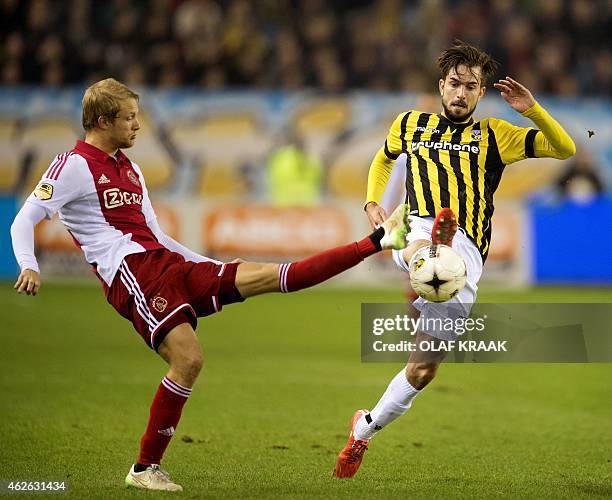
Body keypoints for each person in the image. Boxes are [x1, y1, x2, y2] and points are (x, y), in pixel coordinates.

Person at [10, 78, 412, 492]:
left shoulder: (129, 168)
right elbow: (24, 219)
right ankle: (145, 468)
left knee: (273, 275)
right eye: (129, 118)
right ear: (101, 120)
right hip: (132, 274)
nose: (137, 126)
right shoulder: (73, 165)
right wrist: (29, 264)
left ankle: (375, 242)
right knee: (188, 359)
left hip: (167, 263)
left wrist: (209, 266)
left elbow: (157, 235)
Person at [333, 40, 576, 478]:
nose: (460, 93)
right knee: (421, 249)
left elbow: (564, 149)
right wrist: (373, 204)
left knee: (423, 369)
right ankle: (427, 249)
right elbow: (383, 160)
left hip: (468, 255)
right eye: (454, 84)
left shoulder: (496, 136)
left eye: (470, 86)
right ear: (440, 86)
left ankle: (362, 432)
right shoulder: (409, 124)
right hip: (419, 227)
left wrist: (533, 109)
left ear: (481, 93)